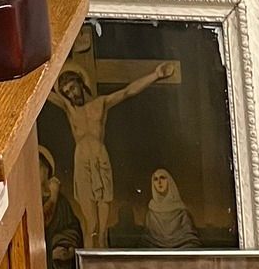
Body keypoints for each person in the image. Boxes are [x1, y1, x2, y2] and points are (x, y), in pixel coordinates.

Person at [45, 59, 177, 249]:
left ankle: (102, 257)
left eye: (73, 88)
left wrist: (156, 75)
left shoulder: (101, 103)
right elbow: (47, 95)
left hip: (101, 159)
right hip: (82, 161)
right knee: (91, 224)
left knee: (103, 225)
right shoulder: (70, 109)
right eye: (67, 92)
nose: (72, 94)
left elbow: (128, 91)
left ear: (81, 84)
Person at [145, 166, 200, 248]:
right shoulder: (151, 213)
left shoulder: (181, 212)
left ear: (169, 182)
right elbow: (147, 240)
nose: (159, 182)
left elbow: (190, 239)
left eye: (162, 178)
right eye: (155, 179)